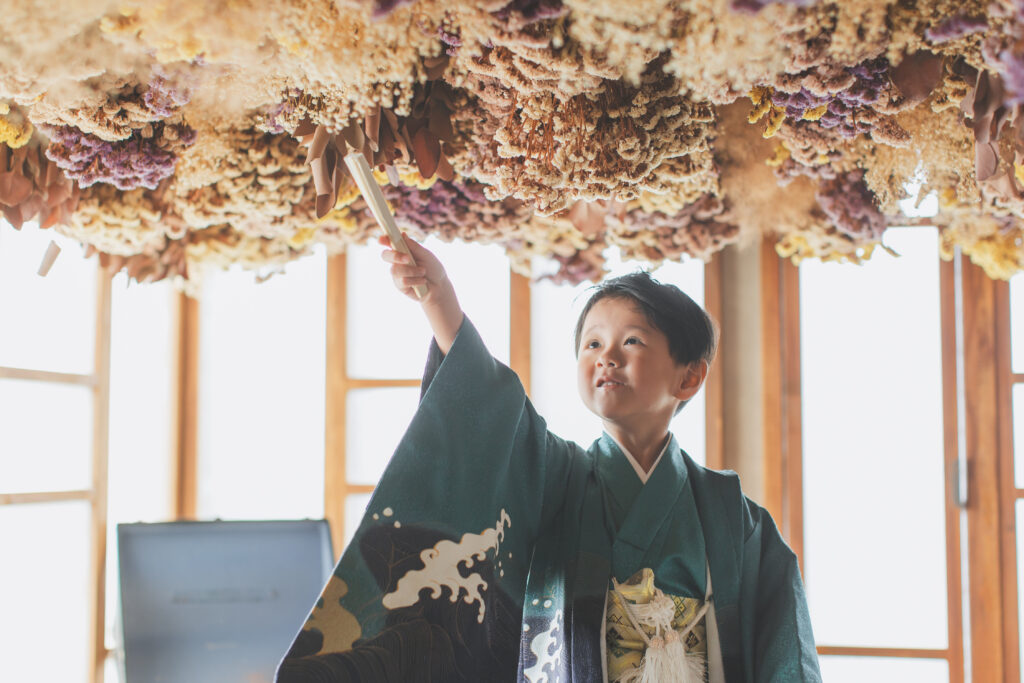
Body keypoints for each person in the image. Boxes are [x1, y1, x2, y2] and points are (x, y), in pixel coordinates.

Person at [276, 235, 821, 683]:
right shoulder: (555, 475)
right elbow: (487, 413)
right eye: (591, 343)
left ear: (689, 375)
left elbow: (786, 655)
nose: (606, 356)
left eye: (631, 341)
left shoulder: (735, 521)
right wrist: (438, 299)